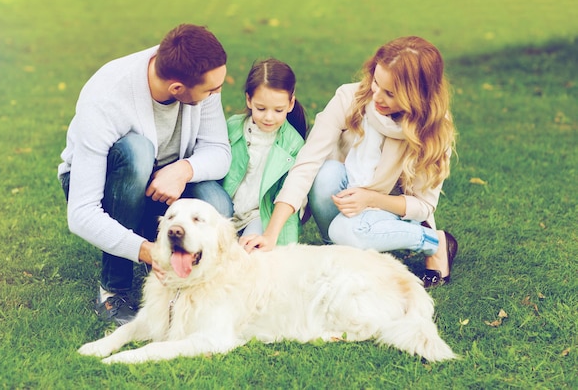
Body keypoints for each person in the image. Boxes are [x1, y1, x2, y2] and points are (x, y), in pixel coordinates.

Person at [241, 36, 458, 288]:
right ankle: (340, 252)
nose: (376, 96)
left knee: (345, 230)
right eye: (376, 82)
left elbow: (423, 206)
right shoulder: (349, 98)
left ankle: (434, 241)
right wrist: (271, 234)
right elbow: (306, 164)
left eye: (390, 93)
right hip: (348, 200)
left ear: (417, 96)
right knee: (325, 174)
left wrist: (372, 199)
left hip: (391, 211)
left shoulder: (434, 127)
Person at [57, 24, 233, 325]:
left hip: (165, 183)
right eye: (212, 90)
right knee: (137, 152)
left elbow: (219, 151)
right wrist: (147, 251)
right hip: (107, 183)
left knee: (216, 204)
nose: (218, 92)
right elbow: (82, 213)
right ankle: (114, 289)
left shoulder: (197, 74)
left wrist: (182, 170)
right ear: (177, 89)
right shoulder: (105, 99)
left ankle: (197, 279)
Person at [222, 59, 307, 244]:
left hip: (259, 215)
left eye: (278, 110)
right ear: (249, 100)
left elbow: (291, 192)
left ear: (291, 104)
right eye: (261, 108)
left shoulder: (294, 145)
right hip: (225, 208)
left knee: (249, 253)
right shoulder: (233, 128)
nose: (269, 117)